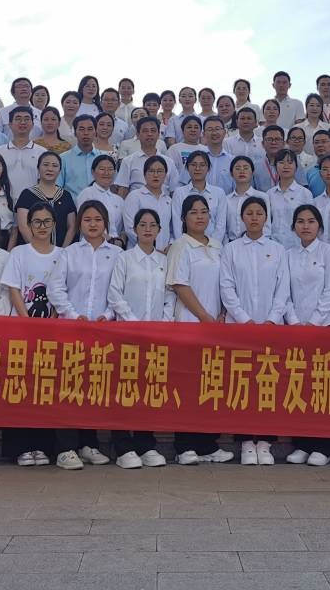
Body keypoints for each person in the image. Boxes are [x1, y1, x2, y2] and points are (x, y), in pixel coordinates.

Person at [49, 200, 121, 469]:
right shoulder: (69, 253)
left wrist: (109, 314)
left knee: (95, 387)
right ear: (80, 223)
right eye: (88, 219)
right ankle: (65, 448)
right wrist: (71, 314)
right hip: (72, 329)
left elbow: (120, 289)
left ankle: (88, 444)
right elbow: (55, 288)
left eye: (98, 219)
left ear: (106, 223)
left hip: (103, 330)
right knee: (69, 387)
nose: (93, 224)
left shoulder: (117, 254)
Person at [219, 197, 289, 467]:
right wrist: (243, 319)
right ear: (242, 218)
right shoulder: (231, 249)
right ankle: (246, 441)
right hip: (240, 328)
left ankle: (266, 442)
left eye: (259, 213)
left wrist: (272, 320)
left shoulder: (277, 249)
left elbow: (283, 288)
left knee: (269, 382)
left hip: (271, 328)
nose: (254, 217)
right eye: (249, 213)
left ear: (266, 218)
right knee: (242, 383)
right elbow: (226, 287)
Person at [166, 194, 232, 466]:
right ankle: (185, 446)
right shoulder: (180, 246)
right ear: (184, 218)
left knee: (210, 384)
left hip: (215, 327)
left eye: (204, 211)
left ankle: (208, 444)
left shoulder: (217, 246)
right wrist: (204, 317)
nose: (200, 216)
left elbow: (226, 282)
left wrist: (222, 314)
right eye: (193, 212)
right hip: (190, 325)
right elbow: (179, 285)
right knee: (188, 386)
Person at [1, 201, 67, 467]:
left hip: (52, 331)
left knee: (46, 389)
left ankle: (43, 446)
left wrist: (52, 320)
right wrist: (27, 322)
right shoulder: (19, 253)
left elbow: (63, 291)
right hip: (22, 329)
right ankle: (21, 447)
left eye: (47, 221)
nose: (42, 226)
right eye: (37, 222)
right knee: (20, 388)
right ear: (28, 225)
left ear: (54, 225)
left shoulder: (63, 254)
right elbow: (14, 289)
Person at [107, 208, 173, 470]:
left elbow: (170, 296)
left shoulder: (164, 261)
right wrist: (133, 323)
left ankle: (146, 445)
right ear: (134, 229)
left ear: (159, 230)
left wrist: (162, 325)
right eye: (142, 225)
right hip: (127, 334)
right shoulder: (124, 259)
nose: (147, 229)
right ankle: (123, 447)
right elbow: (115, 294)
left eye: (152, 225)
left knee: (149, 390)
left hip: (156, 336)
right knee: (124, 390)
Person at [283, 204, 330, 465]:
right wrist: (295, 322)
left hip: (323, 328)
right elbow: (283, 292)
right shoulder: (288, 254)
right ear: (293, 226)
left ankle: (323, 446)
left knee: (323, 387)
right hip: (295, 329)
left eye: (311, 221)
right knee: (299, 386)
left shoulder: (329, 252)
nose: (305, 226)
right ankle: (302, 444)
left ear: (319, 225)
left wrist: (315, 322)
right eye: (300, 221)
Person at [15, 151, 77, 247]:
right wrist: (38, 250)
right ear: (38, 168)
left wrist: (62, 250)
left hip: (61, 251)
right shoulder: (27, 194)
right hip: (32, 250)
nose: (50, 169)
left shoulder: (65, 195)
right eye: (46, 165)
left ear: (59, 170)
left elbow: (72, 226)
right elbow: (23, 226)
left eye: (55, 166)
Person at [171, 150, 227, 242]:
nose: (197, 168)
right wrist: (184, 244)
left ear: (208, 169)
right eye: (193, 165)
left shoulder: (219, 193)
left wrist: (212, 245)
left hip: (213, 245)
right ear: (187, 168)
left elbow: (221, 225)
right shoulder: (179, 193)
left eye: (202, 165)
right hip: (186, 245)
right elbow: (177, 224)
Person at [76, 154, 126, 245]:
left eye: (110, 169)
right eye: (102, 169)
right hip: (91, 246)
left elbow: (123, 229)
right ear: (93, 172)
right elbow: (84, 223)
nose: (106, 173)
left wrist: (121, 242)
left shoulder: (119, 200)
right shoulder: (86, 194)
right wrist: (110, 240)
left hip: (116, 247)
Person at [0, 106, 46, 197]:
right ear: (10, 124)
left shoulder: (42, 153)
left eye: (27, 119)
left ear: (32, 124)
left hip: (33, 202)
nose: (23, 122)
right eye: (18, 119)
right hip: (4, 202)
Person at [59, 114, 99, 195]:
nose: (86, 133)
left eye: (90, 129)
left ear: (95, 132)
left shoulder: (103, 158)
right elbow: (58, 187)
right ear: (75, 133)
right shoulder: (63, 159)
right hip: (72, 203)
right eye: (81, 129)